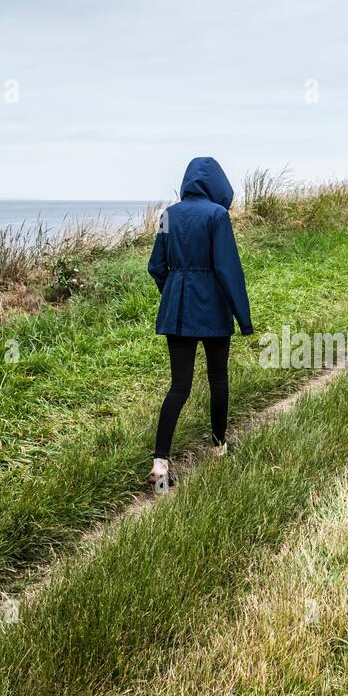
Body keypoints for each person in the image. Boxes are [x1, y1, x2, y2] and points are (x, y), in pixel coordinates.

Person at [147, 156, 252, 489]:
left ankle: (160, 463)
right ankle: (219, 446)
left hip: (177, 310)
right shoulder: (218, 216)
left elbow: (156, 266)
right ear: (217, 184)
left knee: (179, 387)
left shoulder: (167, 215)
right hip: (213, 309)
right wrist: (243, 318)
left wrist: (174, 289)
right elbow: (227, 269)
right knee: (218, 378)